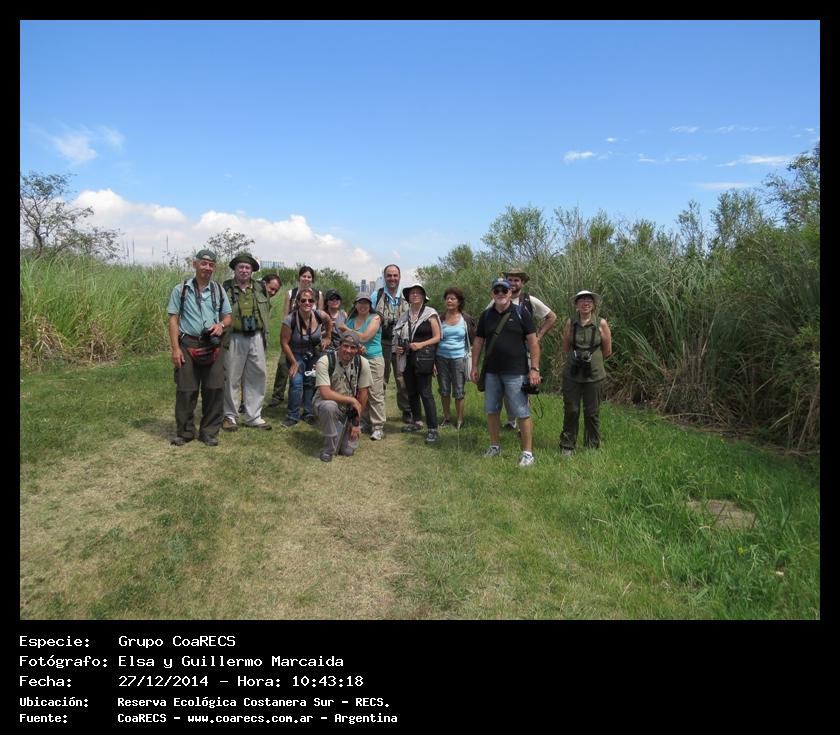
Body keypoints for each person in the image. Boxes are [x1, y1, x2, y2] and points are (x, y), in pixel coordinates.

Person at [471, 278, 541, 467]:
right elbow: (478, 342)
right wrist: (474, 366)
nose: (500, 293)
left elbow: (533, 342)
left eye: (504, 290)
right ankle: (494, 446)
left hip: (516, 372)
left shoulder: (521, 313)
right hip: (491, 372)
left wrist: (534, 369)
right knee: (492, 410)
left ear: (510, 293)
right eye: (497, 290)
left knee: (522, 412)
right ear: (492, 293)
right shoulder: (486, 315)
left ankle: (528, 453)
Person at [166, 248, 232, 446]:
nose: (207, 267)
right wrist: (175, 349)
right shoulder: (181, 290)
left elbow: (228, 317)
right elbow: (173, 319)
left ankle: (209, 432)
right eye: (203, 263)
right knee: (186, 390)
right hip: (188, 344)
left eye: (211, 265)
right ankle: (185, 432)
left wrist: (220, 326)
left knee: (215, 389)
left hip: (213, 344)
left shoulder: (219, 290)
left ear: (214, 268)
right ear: (195, 264)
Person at [492, 266, 557, 431]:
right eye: (510, 279)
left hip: (525, 352)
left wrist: (538, 336)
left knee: (522, 388)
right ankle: (511, 421)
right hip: (503, 355)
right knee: (506, 388)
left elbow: (551, 317)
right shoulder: (497, 299)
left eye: (516, 280)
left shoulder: (529, 300)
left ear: (523, 283)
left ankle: (523, 426)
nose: (513, 283)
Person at [221, 252, 272, 432]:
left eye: (247, 267)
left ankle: (254, 416)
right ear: (235, 269)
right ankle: (230, 416)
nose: (244, 270)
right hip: (234, 336)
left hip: (256, 336)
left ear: (252, 271)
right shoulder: (225, 288)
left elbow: (267, 309)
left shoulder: (260, 287)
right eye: (240, 267)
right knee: (232, 376)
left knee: (258, 375)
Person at [560, 290, 612, 456]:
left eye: (589, 300)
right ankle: (567, 445)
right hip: (572, 373)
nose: (585, 303)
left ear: (594, 304)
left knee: (592, 412)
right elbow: (566, 347)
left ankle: (592, 446)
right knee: (571, 409)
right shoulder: (570, 322)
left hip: (594, 374)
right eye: (581, 300)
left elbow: (607, 351)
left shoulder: (601, 323)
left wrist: (591, 358)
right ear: (576, 304)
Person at [267, 265, 324, 409]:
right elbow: (285, 315)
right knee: (283, 365)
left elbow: (321, 316)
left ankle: (307, 400)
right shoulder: (291, 293)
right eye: (304, 276)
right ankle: (277, 395)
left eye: (309, 276)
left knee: (311, 370)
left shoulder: (318, 294)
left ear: (312, 279)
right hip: (292, 336)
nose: (306, 279)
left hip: (311, 339)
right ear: (299, 277)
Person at [393, 282, 441, 443]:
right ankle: (417, 421)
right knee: (411, 391)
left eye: (418, 292)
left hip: (424, 359)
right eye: (412, 292)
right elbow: (398, 336)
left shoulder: (430, 313)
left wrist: (421, 344)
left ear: (423, 296)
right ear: (408, 297)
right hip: (407, 358)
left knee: (426, 393)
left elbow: (438, 337)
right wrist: (398, 348)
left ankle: (433, 428)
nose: (414, 295)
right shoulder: (404, 316)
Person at [313, 332, 372, 462]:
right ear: (339, 345)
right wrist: (351, 400)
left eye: (353, 347)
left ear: (357, 349)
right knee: (329, 406)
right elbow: (325, 393)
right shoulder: (325, 361)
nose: (348, 350)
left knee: (348, 451)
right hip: (325, 403)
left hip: (348, 410)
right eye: (345, 346)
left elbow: (363, 394)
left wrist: (356, 422)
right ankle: (328, 449)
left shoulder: (363, 363)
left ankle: (342, 430)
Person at [279, 286, 332, 428]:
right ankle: (292, 415)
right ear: (298, 302)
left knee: (310, 382)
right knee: (296, 382)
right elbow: (284, 343)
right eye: (303, 300)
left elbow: (329, 321)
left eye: (310, 300)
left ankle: (308, 413)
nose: (307, 303)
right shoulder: (290, 320)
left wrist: (328, 337)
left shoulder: (319, 315)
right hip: (295, 353)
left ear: (314, 302)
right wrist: (294, 362)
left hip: (314, 353)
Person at [342, 293, 386, 440]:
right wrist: (356, 345)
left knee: (375, 393)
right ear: (355, 305)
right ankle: (365, 421)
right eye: (360, 302)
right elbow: (348, 340)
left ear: (370, 305)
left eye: (366, 303)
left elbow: (365, 337)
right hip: (357, 360)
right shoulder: (351, 321)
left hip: (373, 360)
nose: (363, 305)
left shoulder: (375, 318)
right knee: (361, 392)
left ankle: (378, 426)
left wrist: (345, 329)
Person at [371, 264, 412, 423]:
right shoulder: (376, 296)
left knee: (402, 379)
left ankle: (407, 410)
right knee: (380, 379)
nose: (392, 278)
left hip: (401, 344)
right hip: (381, 342)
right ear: (384, 277)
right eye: (389, 275)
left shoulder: (406, 296)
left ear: (400, 277)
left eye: (395, 275)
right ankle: (377, 412)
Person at [435, 286, 474, 430]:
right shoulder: (439, 318)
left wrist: (472, 357)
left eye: (453, 298)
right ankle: (446, 418)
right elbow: (434, 339)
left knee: (458, 391)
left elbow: (474, 340)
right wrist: (433, 362)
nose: (449, 301)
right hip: (441, 358)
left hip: (459, 359)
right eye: (447, 298)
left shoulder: (466, 319)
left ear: (459, 301)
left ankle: (460, 419)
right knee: (444, 390)